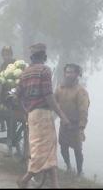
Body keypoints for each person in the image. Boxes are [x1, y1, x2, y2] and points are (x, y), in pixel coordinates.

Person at [16, 43, 70, 188]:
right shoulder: (45, 70)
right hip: (43, 115)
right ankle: (25, 179)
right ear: (44, 57)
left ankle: (55, 185)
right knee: (42, 150)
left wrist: (26, 109)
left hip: (32, 115)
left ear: (31, 57)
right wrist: (62, 115)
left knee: (49, 148)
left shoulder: (25, 72)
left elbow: (18, 95)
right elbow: (48, 96)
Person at [55, 63, 90, 176]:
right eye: (67, 72)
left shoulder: (81, 91)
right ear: (64, 73)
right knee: (63, 146)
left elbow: (83, 110)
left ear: (77, 74)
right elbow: (53, 102)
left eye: (72, 72)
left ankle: (80, 171)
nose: (69, 74)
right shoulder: (60, 88)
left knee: (77, 150)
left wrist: (81, 127)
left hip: (76, 125)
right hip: (64, 124)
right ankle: (68, 167)